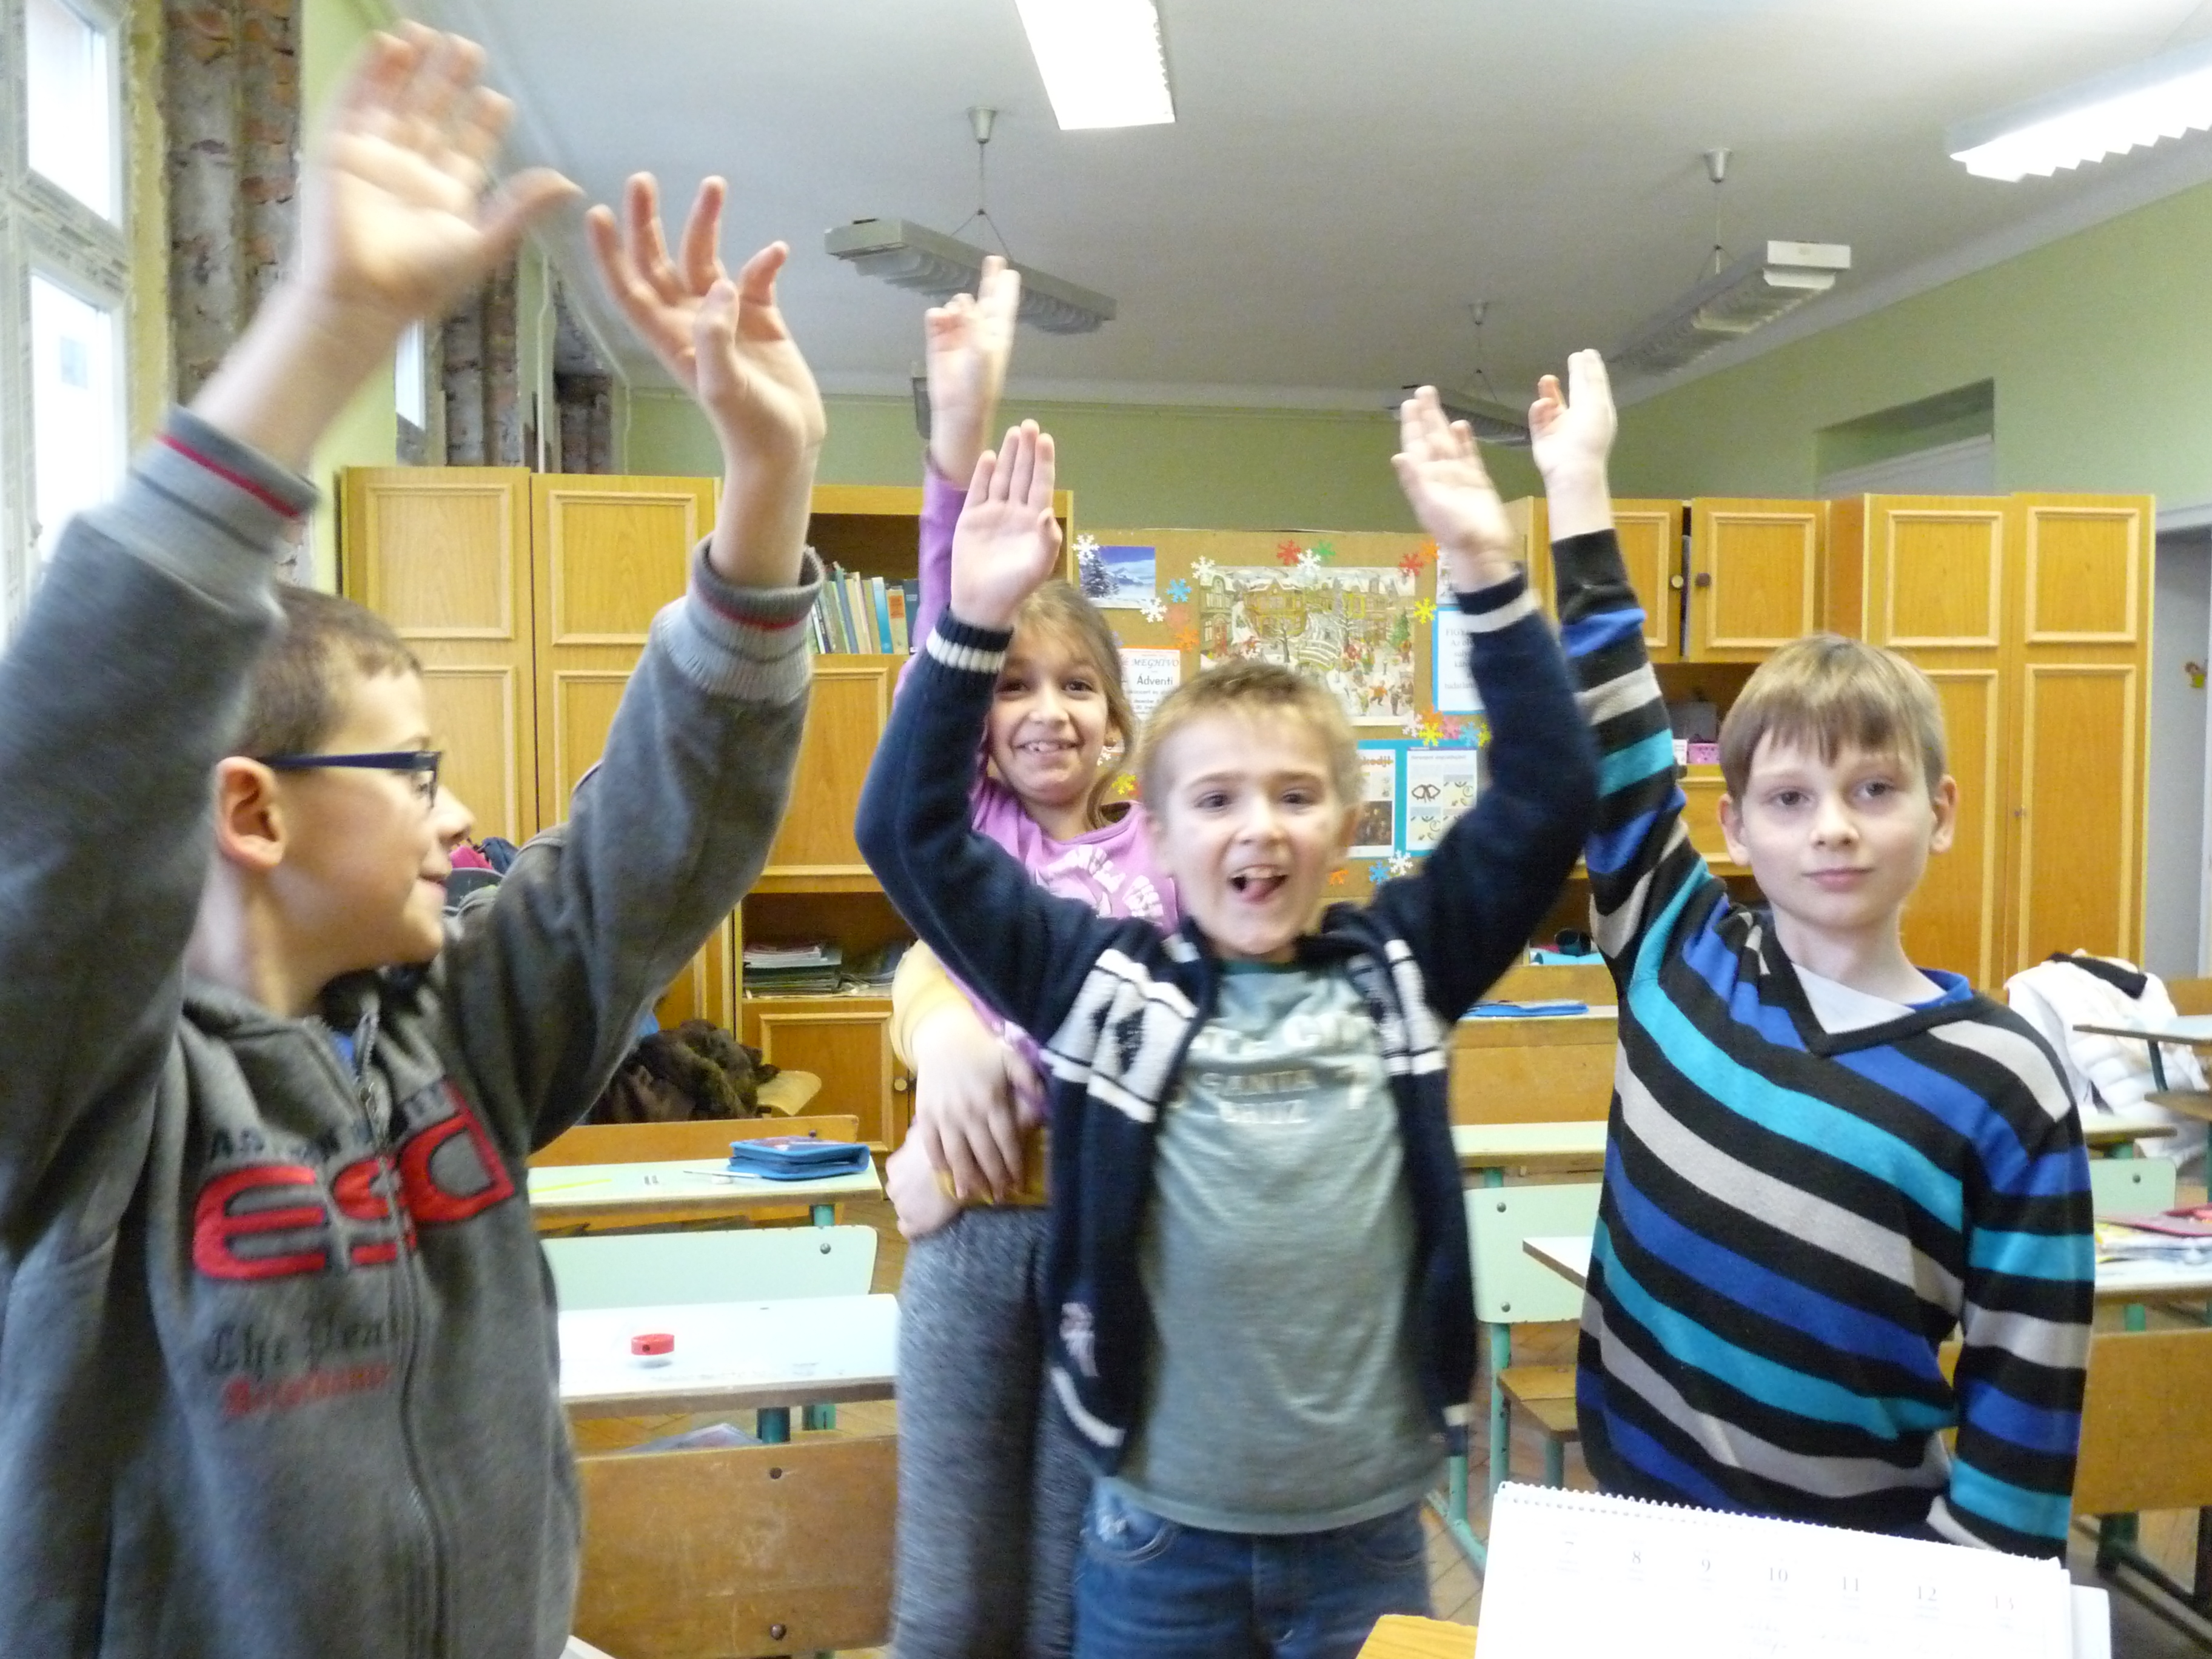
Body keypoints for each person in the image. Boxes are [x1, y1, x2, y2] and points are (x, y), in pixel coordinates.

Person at [0, 28, 826, 1654]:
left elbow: (655, 844)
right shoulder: (89, 1096)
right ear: (252, 809)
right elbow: (63, 809)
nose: (459, 817)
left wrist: (771, 479)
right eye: (414, 772)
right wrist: (322, 332)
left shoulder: (460, 1032)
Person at [856, 400, 1596, 1658]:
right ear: (1156, 828)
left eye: (1296, 795)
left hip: (1366, 1538)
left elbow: (1549, 795)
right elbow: (908, 834)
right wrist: (970, 621)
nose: (1258, 826)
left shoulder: (1397, 977)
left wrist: (1486, 569)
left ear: (1345, 827)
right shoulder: (1105, 991)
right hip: (1157, 1544)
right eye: (1216, 799)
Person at [1537, 350, 2093, 1557]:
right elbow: (1617, 725)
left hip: (1862, 1569)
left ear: (1941, 812)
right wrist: (1578, 489)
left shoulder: (2006, 1081)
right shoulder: (1680, 949)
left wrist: (1976, 1588)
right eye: (1790, 798)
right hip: (1641, 1524)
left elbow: (2030, 1379)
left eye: (1874, 789)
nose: (1833, 826)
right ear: (1734, 828)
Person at [879, 255, 1178, 1659]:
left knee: (1073, 1578)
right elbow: (942, 640)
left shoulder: (1164, 854)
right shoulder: (966, 829)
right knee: (951, 1585)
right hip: (971, 1228)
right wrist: (957, 448)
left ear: (1119, 721)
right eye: (1012, 687)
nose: (1047, 710)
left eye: (1079, 687)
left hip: (1108, 1239)